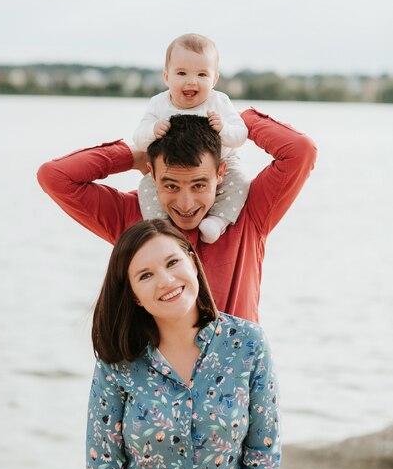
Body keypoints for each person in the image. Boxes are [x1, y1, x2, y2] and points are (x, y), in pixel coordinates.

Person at [37, 98, 317, 323]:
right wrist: (131, 155)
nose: (185, 205)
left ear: (221, 173)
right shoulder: (131, 217)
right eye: (171, 186)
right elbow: (55, 176)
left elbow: (300, 150)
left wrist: (236, 121)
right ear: (152, 174)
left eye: (198, 185)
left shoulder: (250, 211)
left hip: (235, 382)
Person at [87, 219, 280, 469]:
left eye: (172, 262)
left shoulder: (248, 344)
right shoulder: (118, 362)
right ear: (134, 296)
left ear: (192, 261)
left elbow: (263, 461)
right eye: (146, 275)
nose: (166, 280)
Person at [133, 33, 250, 244]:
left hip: (222, 161)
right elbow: (139, 139)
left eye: (202, 75)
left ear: (214, 79)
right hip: (172, 167)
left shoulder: (219, 102)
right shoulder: (158, 104)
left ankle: (218, 221)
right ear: (167, 76)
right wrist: (153, 130)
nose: (191, 81)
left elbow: (240, 135)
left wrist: (223, 128)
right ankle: (160, 224)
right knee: (146, 187)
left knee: (240, 181)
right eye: (182, 73)